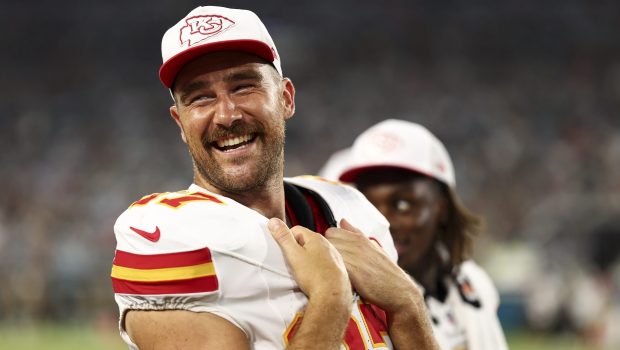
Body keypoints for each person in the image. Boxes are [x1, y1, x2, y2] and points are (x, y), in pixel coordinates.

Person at [110, 6, 438, 350]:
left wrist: (409, 304)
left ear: (286, 98)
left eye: (243, 87)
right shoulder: (167, 236)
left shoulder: (354, 211)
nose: (227, 115)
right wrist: (330, 297)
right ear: (180, 122)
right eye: (201, 97)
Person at [332, 119, 509, 350]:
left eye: (403, 204)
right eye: (366, 204)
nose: (381, 222)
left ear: (442, 207)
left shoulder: (473, 282)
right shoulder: (347, 303)